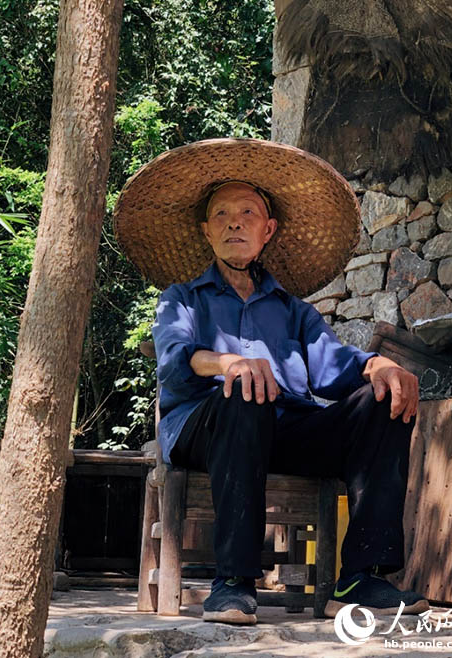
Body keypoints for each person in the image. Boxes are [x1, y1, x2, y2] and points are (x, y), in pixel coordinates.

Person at [114, 138, 428, 625]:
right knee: (244, 392)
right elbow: (174, 360)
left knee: (384, 400)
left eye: (247, 213)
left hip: (287, 432)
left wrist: (377, 367)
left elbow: (332, 369)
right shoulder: (181, 298)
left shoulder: (293, 311)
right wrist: (227, 363)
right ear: (206, 231)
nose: (234, 222)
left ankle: (360, 578)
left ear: (268, 230)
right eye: (221, 215)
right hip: (208, 429)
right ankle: (233, 582)